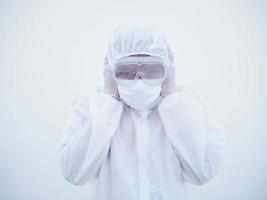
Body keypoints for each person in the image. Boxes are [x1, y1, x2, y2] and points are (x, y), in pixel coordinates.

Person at [57, 25, 225, 200]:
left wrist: (172, 100)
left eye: (151, 69)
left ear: (167, 70)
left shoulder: (187, 105)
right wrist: (108, 101)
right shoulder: (90, 107)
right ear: (111, 70)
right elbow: (73, 172)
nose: (139, 79)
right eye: (127, 71)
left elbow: (203, 171)